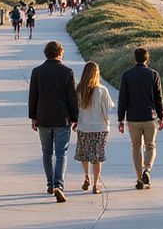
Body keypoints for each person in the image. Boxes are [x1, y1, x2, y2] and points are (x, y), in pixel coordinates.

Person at [28, 40, 79, 201]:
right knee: (61, 152)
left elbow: (33, 96)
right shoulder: (67, 72)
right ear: (60, 52)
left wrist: (33, 116)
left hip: (43, 117)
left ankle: (50, 183)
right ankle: (58, 184)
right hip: (61, 118)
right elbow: (72, 98)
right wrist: (75, 117)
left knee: (47, 152)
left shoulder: (37, 72)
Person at [117, 47, 163, 189]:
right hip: (150, 117)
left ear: (134, 58)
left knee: (136, 147)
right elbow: (159, 98)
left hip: (133, 118)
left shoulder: (127, 75)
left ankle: (139, 178)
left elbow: (123, 98)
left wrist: (120, 118)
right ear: (147, 58)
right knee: (150, 145)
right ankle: (147, 170)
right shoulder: (153, 75)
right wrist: (161, 116)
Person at [74, 61, 112, 193]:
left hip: (84, 126)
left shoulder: (79, 89)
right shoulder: (102, 90)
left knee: (84, 153)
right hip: (100, 127)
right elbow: (108, 108)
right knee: (97, 156)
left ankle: (86, 176)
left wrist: (75, 121)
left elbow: (76, 108)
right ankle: (96, 184)